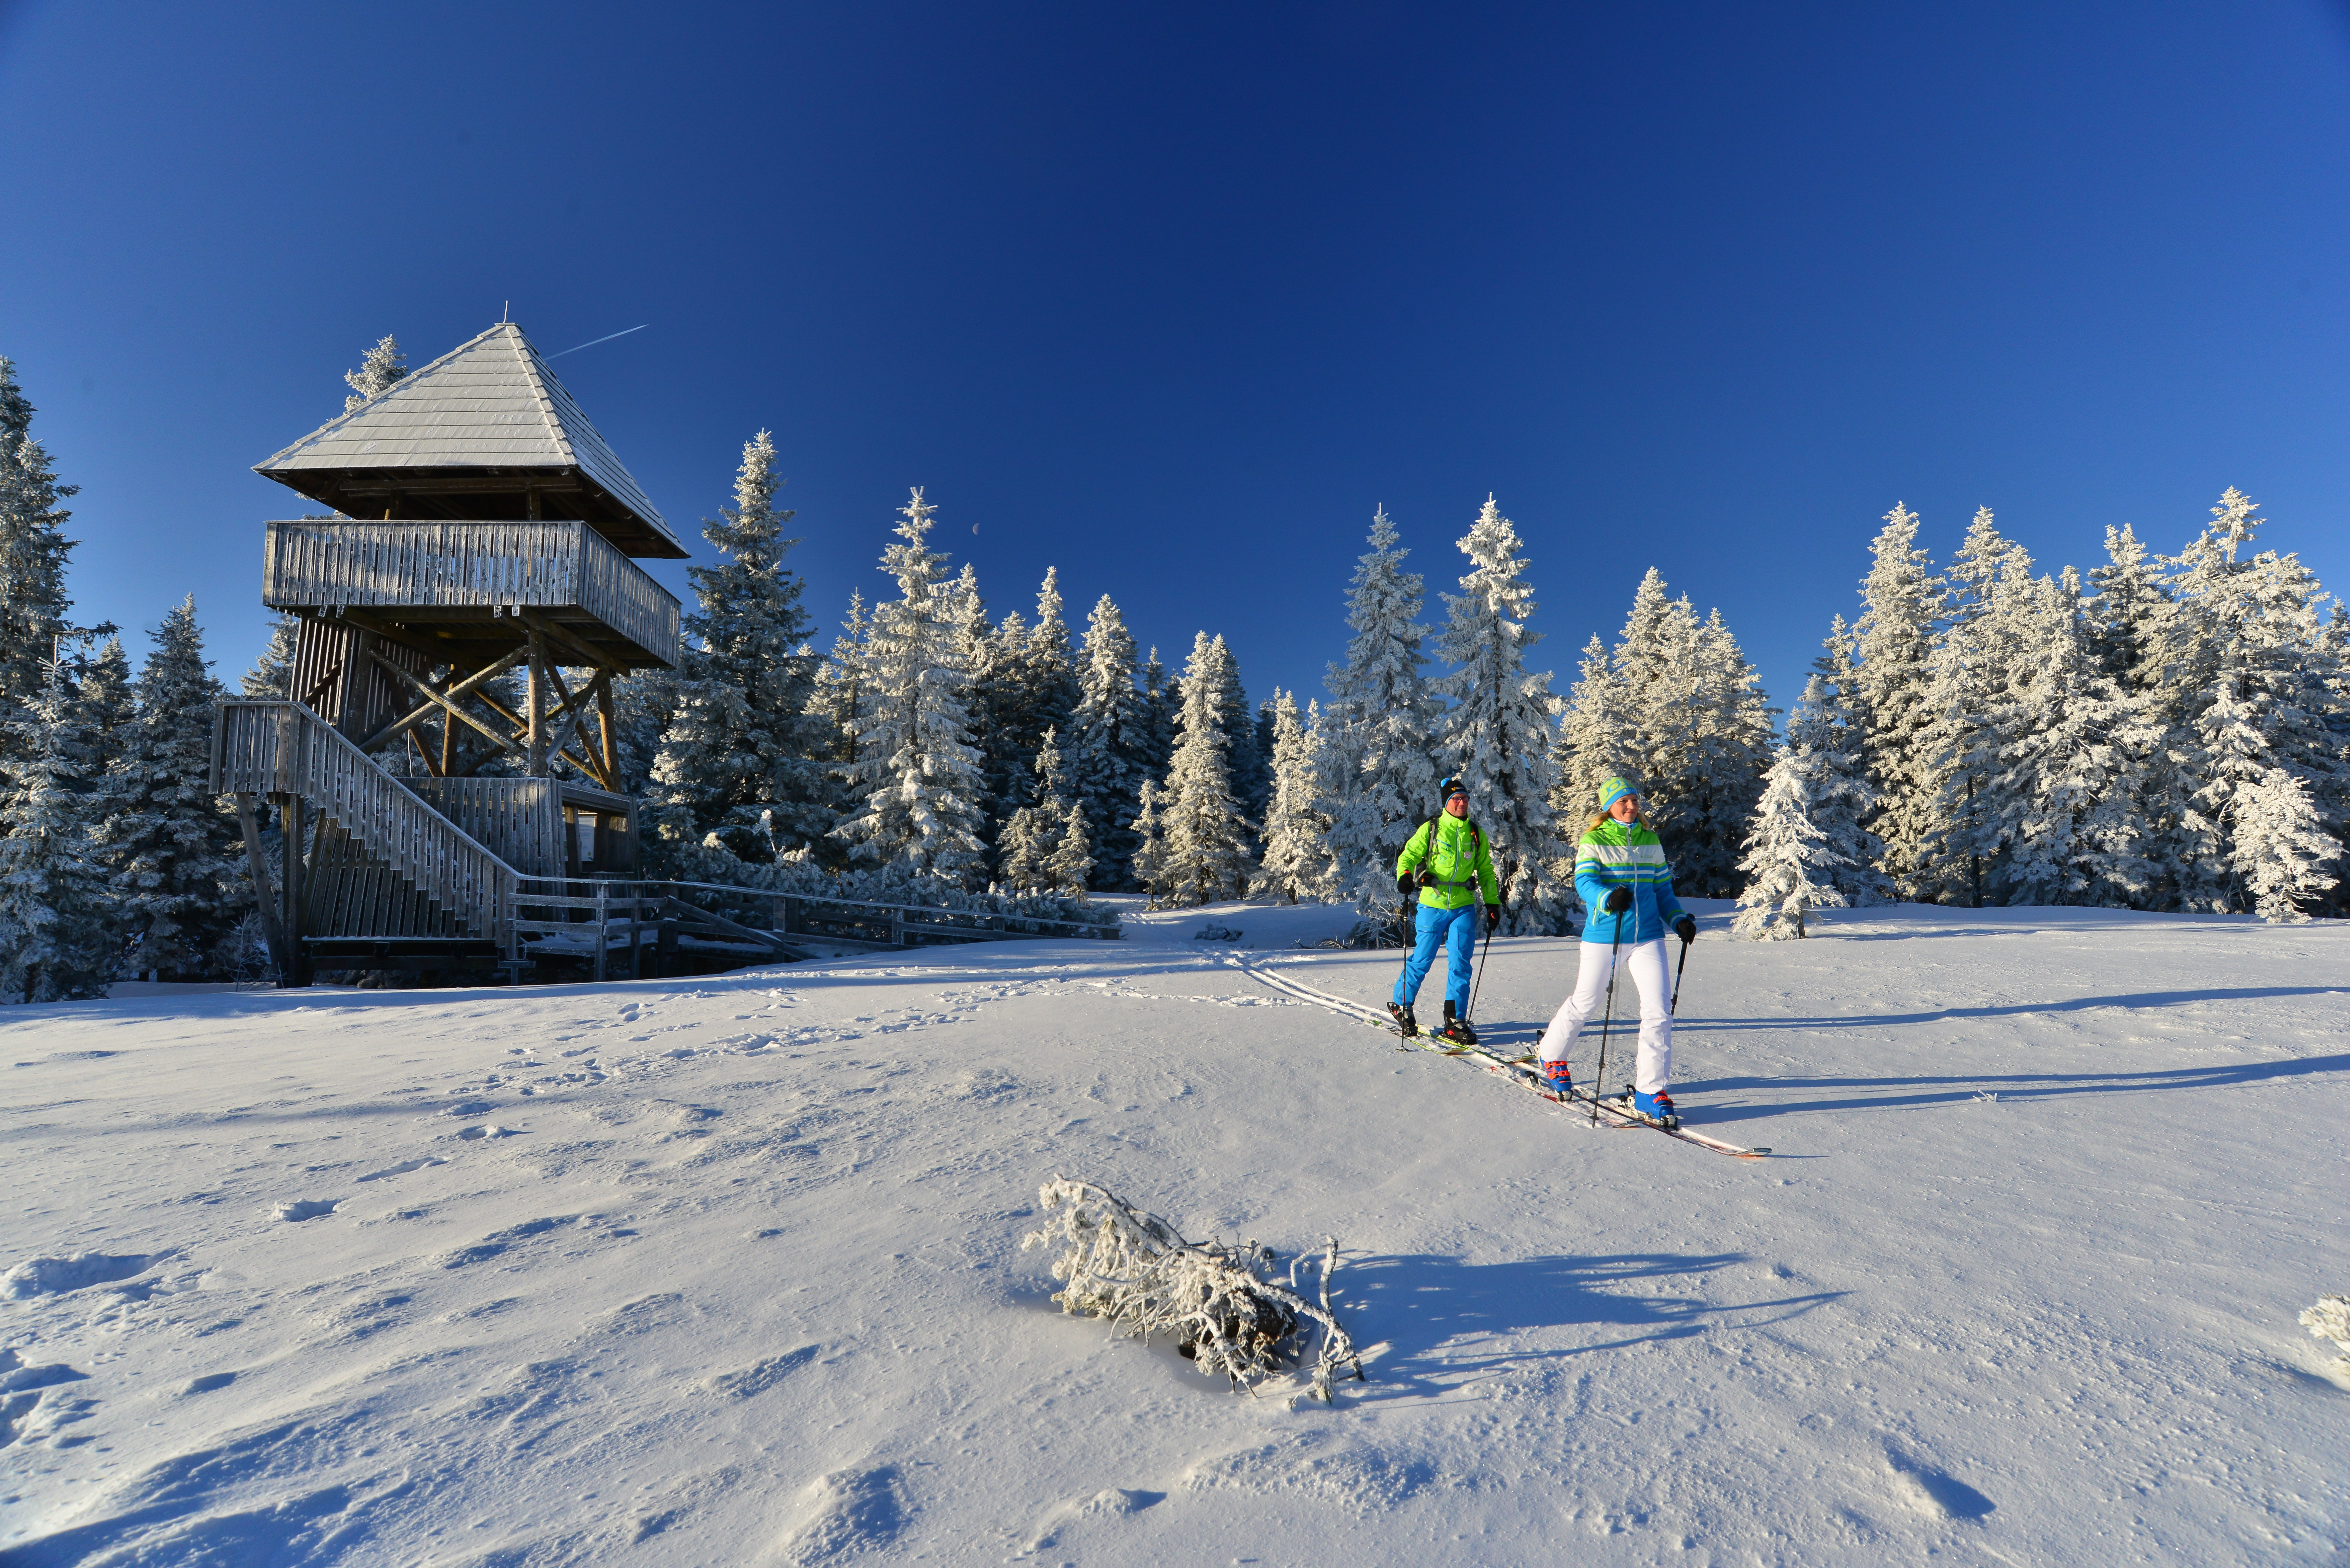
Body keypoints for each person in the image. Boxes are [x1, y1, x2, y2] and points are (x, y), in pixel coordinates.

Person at [1534, 776, 1698, 1125]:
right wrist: (1608, 898)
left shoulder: (1650, 840)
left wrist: (1678, 920)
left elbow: (1663, 891)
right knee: (1586, 1001)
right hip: (1605, 936)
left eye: (1634, 801)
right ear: (1609, 805)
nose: (1631, 807)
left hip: (1648, 936)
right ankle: (1551, 1056)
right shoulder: (1593, 839)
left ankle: (1650, 1092)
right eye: (1623, 801)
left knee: (1659, 1011)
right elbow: (1584, 882)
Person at [1389, 774, 1502, 1044]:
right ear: (1447, 803)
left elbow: (1485, 870)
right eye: (1456, 799)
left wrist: (1492, 903)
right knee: (1423, 959)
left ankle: (1455, 1020)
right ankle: (1401, 1004)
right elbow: (1409, 856)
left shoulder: (1475, 832)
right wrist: (1405, 876)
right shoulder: (1432, 829)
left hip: (1463, 907)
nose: (1462, 803)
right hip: (1432, 904)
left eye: (1465, 798)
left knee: (1461, 964)